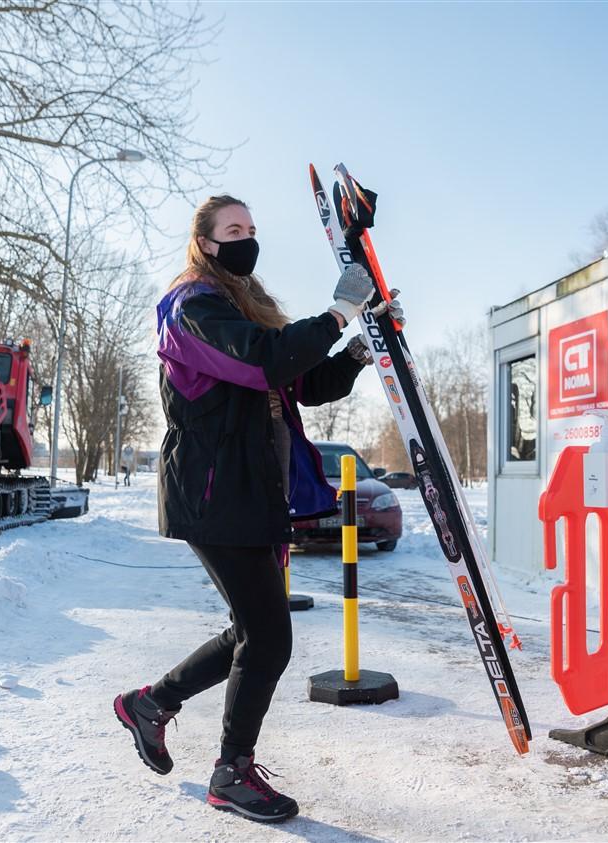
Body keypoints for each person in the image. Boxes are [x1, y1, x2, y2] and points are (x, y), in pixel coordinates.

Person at [113, 194, 402, 823]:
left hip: (251, 490)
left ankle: (151, 704)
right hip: (214, 492)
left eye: (251, 227)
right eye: (233, 229)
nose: (247, 237)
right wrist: (337, 311)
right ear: (207, 242)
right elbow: (265, 359)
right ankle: (231, 773)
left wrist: (357, 344)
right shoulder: (192, 307)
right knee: (269, 636)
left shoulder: (241, 304)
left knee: (252, 631)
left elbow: (302, 381)